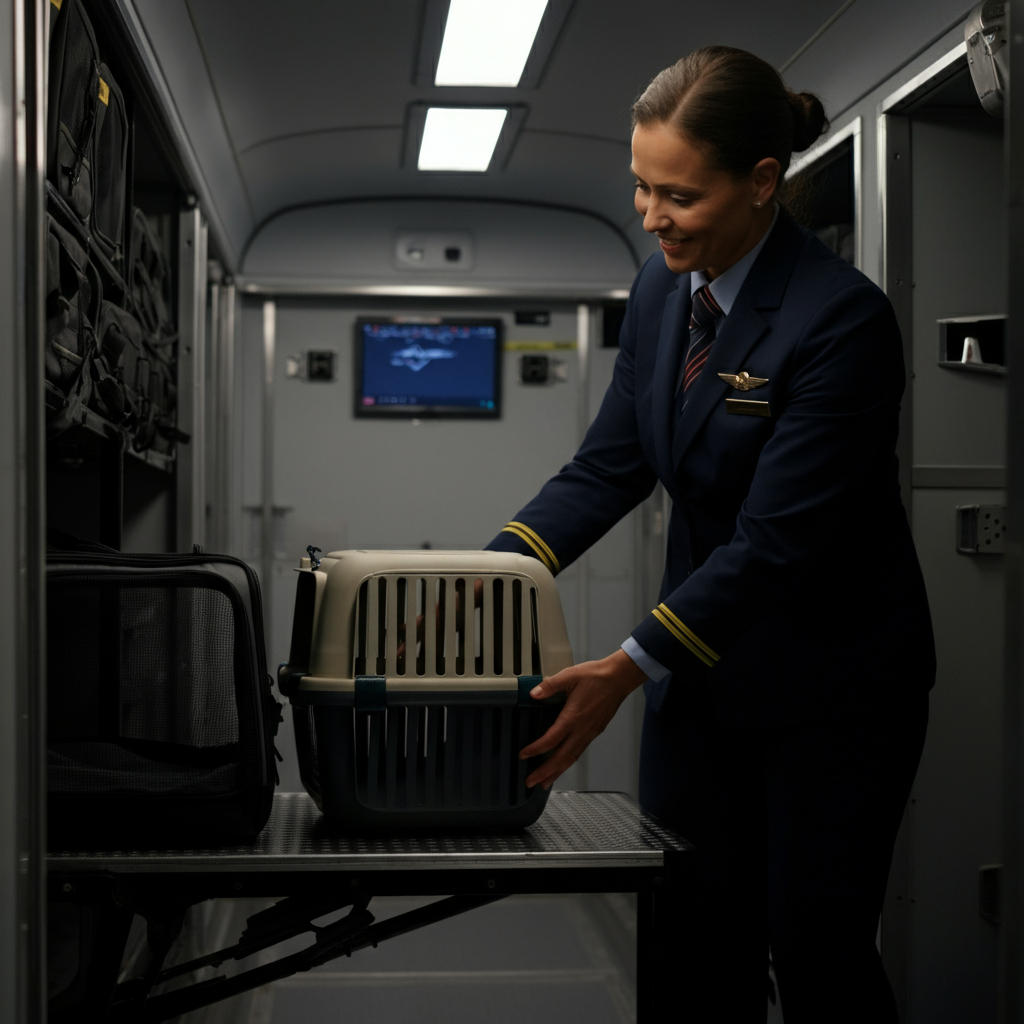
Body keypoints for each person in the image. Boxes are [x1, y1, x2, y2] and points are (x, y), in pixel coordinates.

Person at [486, 46, 935, 1023]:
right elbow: (612, 462)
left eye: (678, 196)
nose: (651, 217)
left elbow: (775, 543)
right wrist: (490, 577)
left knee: (812, 945)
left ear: (760, 184)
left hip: (832, 684)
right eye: (640, 187)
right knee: (689, 934)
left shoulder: (839, 321)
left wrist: (624, 666)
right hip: (700, 673)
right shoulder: (658, 290)